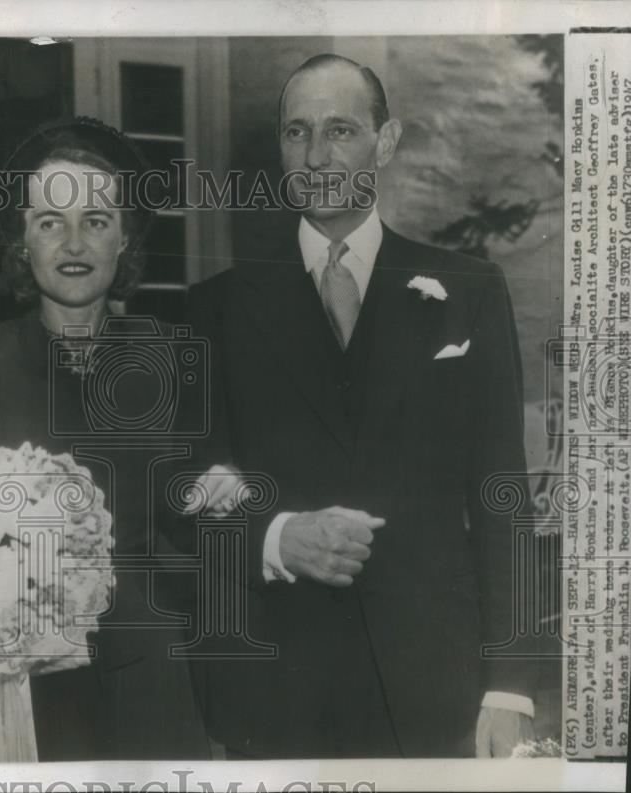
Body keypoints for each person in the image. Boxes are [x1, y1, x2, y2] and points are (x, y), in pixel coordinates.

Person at [186, 54, 536, 758]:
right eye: (296, 132)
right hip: (279, 690)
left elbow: (503, 496)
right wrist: (277, 535)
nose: (314, 155)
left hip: (436, 687)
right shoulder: (213, 311)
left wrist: (511, 684)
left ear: (386, 142)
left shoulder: (468, 291)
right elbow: (184, 496)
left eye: (340, 130)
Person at [0, 118, 213, 760]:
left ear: (125, 241)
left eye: (96, 220)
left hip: (153, 672)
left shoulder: (170, 357)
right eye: (49, 222)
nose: (73, 241)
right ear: (21, 244)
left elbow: (196, 520)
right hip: (20, 676)